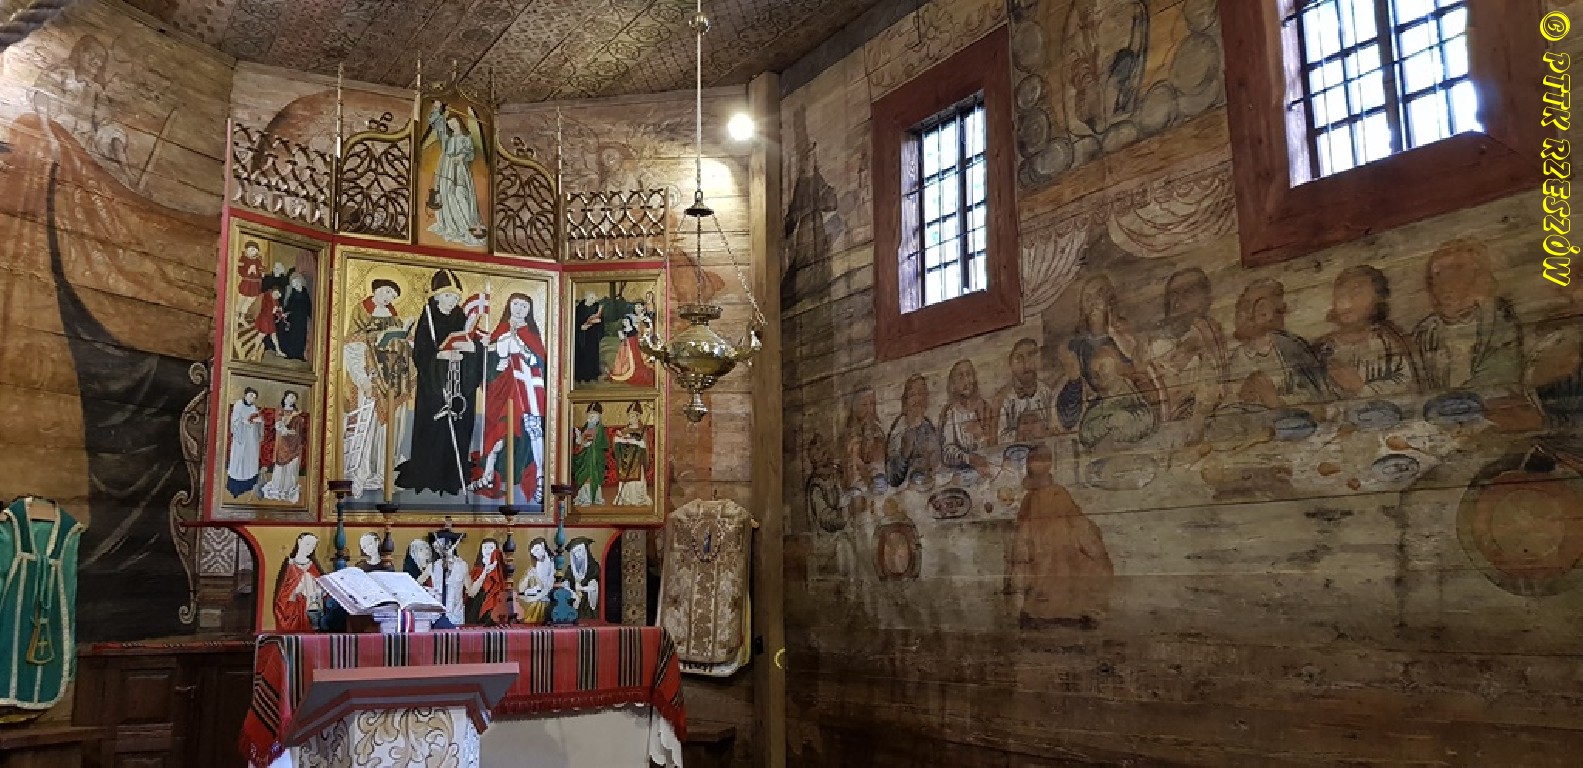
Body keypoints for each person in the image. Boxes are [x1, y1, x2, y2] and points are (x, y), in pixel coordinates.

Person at [396, 269, 482, 497]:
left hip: (460, 386)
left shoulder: (462, 318)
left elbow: (474, 348)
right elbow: (421, 354)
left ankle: (453, 476)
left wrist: (472, 349)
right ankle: (431, 475)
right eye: (447, 296)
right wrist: (440, 356)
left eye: (455, 297)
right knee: (434, 432)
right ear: (436, 297)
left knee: (459, 429)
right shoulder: (428, 318)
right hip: (435, 389)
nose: (452, 301)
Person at [1005, 445, 1112, 628]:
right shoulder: (1038, 497)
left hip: (1053, 556)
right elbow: (1023, 534)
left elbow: (1079, 525)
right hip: (1045, 557)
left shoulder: (1054, 495)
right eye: (1033, 462)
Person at [475, 293, 548, 503]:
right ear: (509, 305)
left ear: (530, 310)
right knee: (499, 429)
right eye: (515, 304)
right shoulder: (501, 330)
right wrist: (491, 355)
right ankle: (489, 472)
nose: (519, 308)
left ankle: (540, 476)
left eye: (524, 305)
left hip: (527, 388)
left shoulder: (531, 334)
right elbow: (488, 364)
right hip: (503, 390)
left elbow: (541, 363)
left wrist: (525, 352)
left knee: (533, 429)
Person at [343, 279, 412, 497]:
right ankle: (360, 476)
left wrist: (406, 340)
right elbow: (352, 345)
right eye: (387, 291)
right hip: (371, 378)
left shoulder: (394, 317)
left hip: (391, 381)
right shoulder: (361, 313)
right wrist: (362, 378)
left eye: (393, 294)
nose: (389, 297)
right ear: (376, 290)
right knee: (367, 429)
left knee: (388, 431)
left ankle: (384, 475)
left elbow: (403, 346)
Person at [1317, 265, 1419, 397]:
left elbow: (1408, 384)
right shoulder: (1323, 348)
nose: (1346, 302)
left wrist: (1360, 388)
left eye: (1357, 293)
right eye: (1340, 295)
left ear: (1377, 298)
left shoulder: (1391, 340)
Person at [425, 102, 486, 247]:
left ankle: (465, 225)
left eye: (453, 122)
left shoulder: (466, 138)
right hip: (445, 167)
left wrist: (462, 156)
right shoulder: (447, 137)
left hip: (459, 168)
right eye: (449, 124)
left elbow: (470, 154)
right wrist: (437, 108)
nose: (451, 125)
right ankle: (450, 224)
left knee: (460, 194)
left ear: (459, 122)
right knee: (446, 194)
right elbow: (436, 123)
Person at [938, 360, 994, 475]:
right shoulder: (950, 413)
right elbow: (947, 452)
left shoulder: (985, 408)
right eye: (960, 376)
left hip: (987, 468)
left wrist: (980, 435)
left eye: (969, 375)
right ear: (953, 384)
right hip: (961, 473)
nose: (966, 381)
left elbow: (995, 444)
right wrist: (968, 458)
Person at [996, 339, 1057, 443]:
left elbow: (1054, 427)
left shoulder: (1046, 392)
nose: (1026, 365)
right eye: (1019, 359)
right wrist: (1019, 436)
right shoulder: (1004, 398)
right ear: (1011, 364)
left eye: (1031, 356)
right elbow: (1000, 437)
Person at [886, 375, 940, 487]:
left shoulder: (927, 426)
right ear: (905, 401)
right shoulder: (899, 429)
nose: (917, 399)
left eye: (921, 393)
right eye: (912, 395)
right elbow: (892, 478)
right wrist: (905, 453)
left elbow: (936, 463)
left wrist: (931, 459)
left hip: (926, 485)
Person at [260, 391, 306, 502]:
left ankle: (289, 488)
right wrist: (292, 417)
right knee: (282, 465)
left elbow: (300, 429)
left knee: (292, 465)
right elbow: (280, 426)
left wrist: (299, 420)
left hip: (295, 443)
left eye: (294, 397)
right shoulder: (280, 410)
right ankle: (279, 488)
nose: (293, 399)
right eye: (291, 396)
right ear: (285, 398)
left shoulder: (296, 412)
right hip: (284, 443)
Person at [273, 533, 324, 632]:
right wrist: (293, 591)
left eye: (313, 546)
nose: (309, 549)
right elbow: (282, 588)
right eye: (307, 544)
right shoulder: (289, 563)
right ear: (299, 542)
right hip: (293, 604)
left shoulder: (313, 565)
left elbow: (321, 583)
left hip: (310, 605)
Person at [610, 403, 653, 506]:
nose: (631, 418)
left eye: (633, 416)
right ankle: (625, 497)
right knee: (626, 481)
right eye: (629, 416)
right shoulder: (624, 430)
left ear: (638, 417)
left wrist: (639, 443)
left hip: (637, 461)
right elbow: (616, 445)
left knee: (637, 481)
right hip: (626, 462)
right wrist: (618, 440)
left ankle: (636, 498)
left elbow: (645, 446)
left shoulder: (642, 431)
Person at [426, 530, 469, 627]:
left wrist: (484, 572)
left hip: (455, 615)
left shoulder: (462, 565)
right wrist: (429, 591)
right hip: (436, 615)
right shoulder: (433, 565)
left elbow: (470, 591)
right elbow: (417, 583)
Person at [226, 388, 264, 499]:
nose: (252, 398)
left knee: (250, 460)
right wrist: (247, 421)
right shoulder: (238, 405)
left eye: (254, 397)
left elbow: (257, 420)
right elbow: (235, 422)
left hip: (251, 439)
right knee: (240, 460)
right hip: (241, 439)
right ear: (246, 394)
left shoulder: (254, 407)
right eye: (251, 395)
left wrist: (259, 422)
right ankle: (237, 488)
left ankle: (249, 484)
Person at [608, 301, 655, 387]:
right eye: (636, 307)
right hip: (630, 342)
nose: (637, 309)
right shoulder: (631, 317)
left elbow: (648, 330)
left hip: (641, 341)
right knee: (625, 358)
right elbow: (626, 330)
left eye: (639, 307)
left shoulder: (645, 318)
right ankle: (624, 371)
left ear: (643, 308)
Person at [465, 538, 508, 625]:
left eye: (491, 548)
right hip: (477, 604)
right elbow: (471, 592)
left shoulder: (500, 571)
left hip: (495, 604)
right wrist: (485, 571)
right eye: (485, 548)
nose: (488, 550)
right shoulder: (476, 571)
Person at [573, 403, 609, 505]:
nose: (591, 416)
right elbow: (581, 442)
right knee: (583, 477)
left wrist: (592, 445)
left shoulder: (600, 429)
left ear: (599, 416)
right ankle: (583, 497)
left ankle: (591, 498)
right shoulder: (586, 427)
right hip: (584, 457)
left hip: (594, 459)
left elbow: (603, 444)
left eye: (594, 414)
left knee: (591, 477)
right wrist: (579, 438)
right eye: (589, 414)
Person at [517, 538, 555, 625]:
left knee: (536, 605)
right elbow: (521, 589)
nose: (536, 554)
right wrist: (528, 577)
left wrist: (538, 594)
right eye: (533, 552)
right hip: (537, 594)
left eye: (537, 550)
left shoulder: (552, 563)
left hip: (548, 595)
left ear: (543, 546)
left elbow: (549, 585)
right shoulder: (533, 567)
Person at [278, 270, 312, 362]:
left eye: (296, 282)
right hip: (293, 319)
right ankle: (291, 353)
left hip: (302, 319)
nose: (295, 285)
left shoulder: (305, 294)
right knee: (292, 336)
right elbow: (289, 306)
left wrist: (310, 316)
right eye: (293, 283)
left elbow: (308, 306)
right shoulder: (292, 294)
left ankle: (299, 354)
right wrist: (286, 313)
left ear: (300, 281)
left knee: (301, 336)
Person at [574, 291, 606, 384]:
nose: (594, 300)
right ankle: (581, 377)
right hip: (581, 337)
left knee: (592, 355)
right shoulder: (579, 308)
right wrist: (580, 327)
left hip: (593, 336)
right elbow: (574, 322)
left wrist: (598, 322)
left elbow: (601, 322)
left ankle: (592, 376)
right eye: (592, 298)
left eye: (594, 298)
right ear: (586, 298)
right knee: (582, 356)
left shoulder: (597, 308)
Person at [566, 538, 600, 621]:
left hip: (588, 602)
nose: (577, 555)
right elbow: (566, 583)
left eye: (579, 550)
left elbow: (595, 586)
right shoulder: (570, 568)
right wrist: (573, 593)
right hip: (574, 601)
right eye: (575, 553)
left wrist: (582, 588)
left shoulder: (593, 567)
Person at [236, 241, 265, 323]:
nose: (252, 251)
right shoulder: (243, 259)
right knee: (242, 300)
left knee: (249, 301)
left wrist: (258, 272)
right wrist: (249, 271)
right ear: (246, 250)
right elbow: (240, 271)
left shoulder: (258, 261)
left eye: (254, 249)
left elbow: (261, 273)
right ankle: (236, 316)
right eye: (250, 249)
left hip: (254, 285)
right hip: (246, 283)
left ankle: (242, 317)